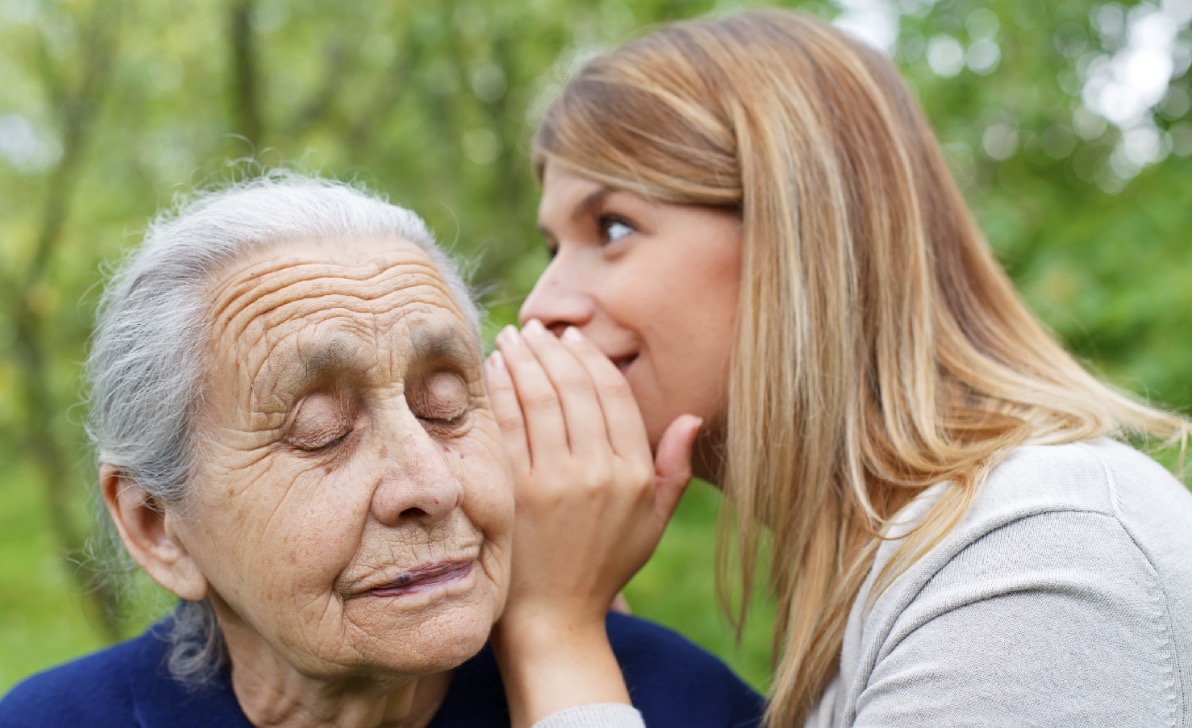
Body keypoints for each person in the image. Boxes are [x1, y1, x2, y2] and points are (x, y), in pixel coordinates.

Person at [483, 8, 1192, 727]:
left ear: (794, 237)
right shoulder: (895, 574)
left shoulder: (1040, 554)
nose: (542, 306)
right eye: (552, 248)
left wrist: (556, 637)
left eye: (612, 227)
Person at [0, 175, 764, 728]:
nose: (429, 484)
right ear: (155, 526)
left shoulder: (671, 704)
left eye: (447, 405)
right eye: (321, 428)